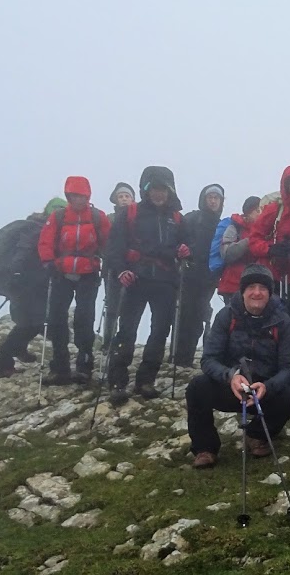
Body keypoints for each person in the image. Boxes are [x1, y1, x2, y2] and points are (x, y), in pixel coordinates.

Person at [186, 265, 290, 469]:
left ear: (270, 293)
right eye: (251, 287)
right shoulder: (226, 316)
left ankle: (256, 435)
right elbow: (209, 359)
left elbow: (289, 369)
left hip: (264, 390)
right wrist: (230, 376)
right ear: (242, 292)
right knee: (197, 387)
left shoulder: (282, 322)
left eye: (263, 288)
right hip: (231, 387)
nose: (257, 292)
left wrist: (268, 386)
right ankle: (205, 448)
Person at [106, 165, 190, 405]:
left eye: (163, 189)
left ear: (170, 190)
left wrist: (187, 251)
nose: (159, 193)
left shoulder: (177, 218)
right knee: (127, 329)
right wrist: (121, 270)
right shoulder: (130, 213)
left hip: (165, 280)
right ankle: (117, 381)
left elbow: (186, 245)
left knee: (160, 331)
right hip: (136, 277)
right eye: (154, 189)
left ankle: (146, 380)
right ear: (146, 190)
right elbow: (114, 247)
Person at [37, 176, 111, 385]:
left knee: (84, 318)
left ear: (88, 196)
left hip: (88, 273)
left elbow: (108, 242)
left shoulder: (97, 217)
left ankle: (84, 364)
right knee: (57, 318)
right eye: (74, 196)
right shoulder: (59, 216)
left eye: (82, 196)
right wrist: (48, 262)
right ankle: (60, 366)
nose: (78, 199)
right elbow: (45, 241)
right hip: (61, 272)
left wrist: (109, 263)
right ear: (68, 196)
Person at [0, 199, 66, 378]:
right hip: (27, 282)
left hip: (24, 281)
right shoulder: (38, 229)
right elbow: (24, 252)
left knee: (28, 321)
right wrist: (17, 274)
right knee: (32, 323)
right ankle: (2, 362)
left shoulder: (35, 225)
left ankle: (16, 351)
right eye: (58, 210)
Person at [249, 166, 290, 337]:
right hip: (273, 276)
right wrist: (271, 249)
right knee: (269, 320)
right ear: (286, 186)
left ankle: (288, 351)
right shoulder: (275, 209)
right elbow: (254, 240)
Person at [174, 184, 225, 367]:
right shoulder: (191, 219)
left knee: (198, 316)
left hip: (208, 278)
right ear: (203, 199)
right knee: (184, 314)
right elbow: (178, 241)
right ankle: (179, 356)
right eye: (210, 197)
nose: (213, 201)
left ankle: (186, 358)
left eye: (217, 198)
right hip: (188, 274)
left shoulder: (222, 225)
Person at [102, 184, 135, 346]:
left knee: (129, 305)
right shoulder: (109, 219)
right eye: (120, 196)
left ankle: (122, 339)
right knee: (112, 305)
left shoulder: (137, 218)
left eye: (127, 196)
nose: (124, 199)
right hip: (111, 267)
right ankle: (108, 339)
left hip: (132, 266)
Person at [216, 196, 262, 303]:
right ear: (248, 212)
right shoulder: (235, 227)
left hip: (256, 284)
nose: (261, 214)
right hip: (233, 286)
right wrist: (250, 241)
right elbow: (227, 254)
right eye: (257, 210)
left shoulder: (266, 230)